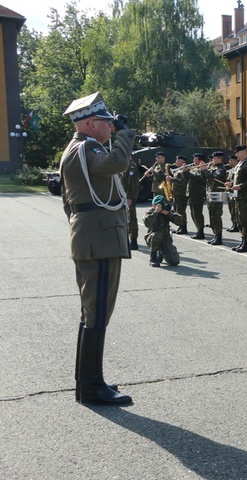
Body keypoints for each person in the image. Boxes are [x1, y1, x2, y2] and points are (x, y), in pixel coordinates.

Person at [60, 91, 134, 405]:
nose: (110, 127)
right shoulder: (86, 148)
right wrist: (126, 134)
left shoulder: (78, 149)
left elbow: (68, 201)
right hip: (99, 239)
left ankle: (89, 382)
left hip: (92, 236)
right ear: (91, 124)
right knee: (97, 313)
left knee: (93, 313)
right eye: (106, 122)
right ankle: (91, 387)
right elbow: (117, 162)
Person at [143, 195, 183, 267]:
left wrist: (169, 214)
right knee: (158, 234)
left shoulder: (167, 211)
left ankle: (161, 252)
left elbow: (180, 221)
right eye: (157, 205)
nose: (160, 207)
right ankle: (153, 257)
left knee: (175, 261)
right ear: (153, 205)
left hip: (165, 239)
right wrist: (156, 212)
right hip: (152, 238)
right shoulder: (150, 212)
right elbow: (147, 223)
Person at [206, 151, 228, 246]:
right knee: (211, 214)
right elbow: (206, 178)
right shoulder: (213, 167)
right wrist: (207, 169)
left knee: (216, 215)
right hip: (211, 192)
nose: (213, 160)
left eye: (215, 158)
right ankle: (215, 234)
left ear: (220, 159)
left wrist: (205, 170)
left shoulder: (221, 169)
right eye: (213, 158)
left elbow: (213, 177)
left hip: (218, 192)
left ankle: (219, 236)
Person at [120, 158, 141, 250]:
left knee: (131, 217)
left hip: (128, 196)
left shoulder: (131, 165)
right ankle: (126, 239)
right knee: (123, 218)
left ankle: (133, 240)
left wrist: (129, 197)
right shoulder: (123, 163)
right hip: (122, 195)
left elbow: (131, 182)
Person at [187, 153, 209, 239]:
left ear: (200, 161)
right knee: (193, 213)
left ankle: (200, 231)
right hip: (191, 193)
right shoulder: (193, 168)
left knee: (197, 213)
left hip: (197, 193)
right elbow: (188, 179)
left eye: (195, 159)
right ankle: (198, 229)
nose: (193, 161)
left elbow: (195, 178)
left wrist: (187, 172)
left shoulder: (200, 170)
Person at [169, 155, 189, 234]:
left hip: (182, 193)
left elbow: (183, 182)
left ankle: (183, 227)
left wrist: (172, 179)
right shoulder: (178, 170)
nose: (176, 162)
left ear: (182, 162)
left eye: (178, 160)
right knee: (177, 210)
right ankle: (180, 226)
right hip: (176, 193)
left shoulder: (184, 171)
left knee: (181, 211)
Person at [226, 154, 241, 233]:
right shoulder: (231, 170)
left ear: (235, 161)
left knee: (235, 209)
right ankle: (234, 223)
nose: (229, 162)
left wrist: (231, 183)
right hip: (230, 192)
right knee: (231, 209)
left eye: (231, 160)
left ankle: (237, 224)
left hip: (235, 192)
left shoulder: (237, 169)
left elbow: (238, 181)